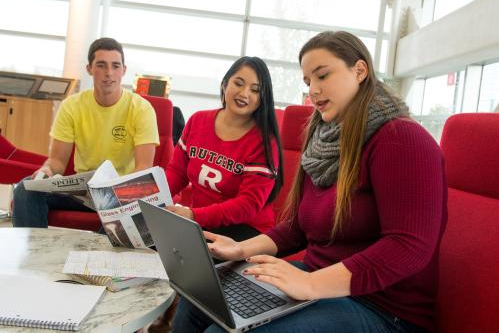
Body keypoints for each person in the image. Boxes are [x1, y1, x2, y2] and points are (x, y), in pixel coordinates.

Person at [172, 31, 448, 333]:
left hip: (382, 308)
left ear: (359, 71)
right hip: (320, 284)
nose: (313, 90)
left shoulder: (401, 138)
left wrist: (310, 283)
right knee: (199, 299)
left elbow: (408, 246)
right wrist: (240, 249)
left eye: (323, 76)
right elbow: (297, 228)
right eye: (307, 82)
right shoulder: (324, 139)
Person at [12, 37, 159, 228]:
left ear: (124, 70)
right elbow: (57, 162)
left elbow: (143, 169)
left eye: (115, 66)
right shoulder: (71, 106)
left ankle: (99, 256)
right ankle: (34, 253)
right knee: (25, 188)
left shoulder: (141, 108)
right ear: (89, 69)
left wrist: (117, 194)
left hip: (119, 194)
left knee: (125, 204)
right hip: (82, 192)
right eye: (101, 65)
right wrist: (46, 169)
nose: (109, 73)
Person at [164, 56, 283, 240]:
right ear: (225, 84)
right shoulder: (198, 121)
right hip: (200, 223)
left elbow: (248, 205)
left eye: (255, 90)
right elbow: (177, 173)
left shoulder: (265, 141)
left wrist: (194, 215)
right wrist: (149, 199)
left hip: (245, 230)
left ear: (262, 99)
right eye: (239, 83)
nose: (244, 94)